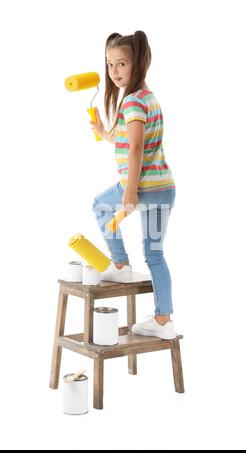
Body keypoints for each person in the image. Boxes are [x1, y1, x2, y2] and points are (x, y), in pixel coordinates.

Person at [90, 31, 176, 340]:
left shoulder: (133, 102)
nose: (114, 71)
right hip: (162, 189)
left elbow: (137, 148)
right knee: (154, 254)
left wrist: (129, 191)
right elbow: (128, 141)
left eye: (121, 64)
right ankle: (164, 320)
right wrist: (103, 131)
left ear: (138, 63)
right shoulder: (146, 98)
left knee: (101, 205)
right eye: (110, 64)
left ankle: (121, 264)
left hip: (143, 189)